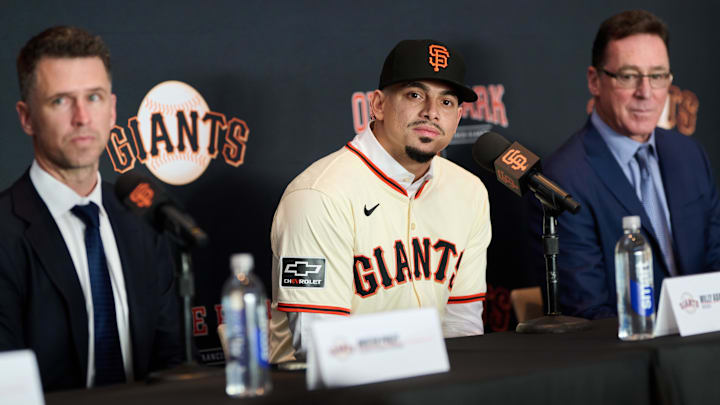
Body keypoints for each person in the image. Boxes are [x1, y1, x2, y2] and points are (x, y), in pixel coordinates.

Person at [269, 39, 491, 363]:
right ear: (378, 105)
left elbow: (463, 327)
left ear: (458, 116)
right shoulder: (317, 196)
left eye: (446, 101)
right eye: (415, 95)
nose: (431, 112)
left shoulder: (469, 191)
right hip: (318, 392)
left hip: (427, 383)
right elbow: (319, 344)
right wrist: (421, 353)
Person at [0, 26, 182, 391]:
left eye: (94, 98)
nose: (82, 117)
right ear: (26, 117)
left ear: (112, 110)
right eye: (60, 101)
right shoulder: (4, 233)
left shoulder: (143, 218)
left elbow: (171, 362)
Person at [528, 10, 720, 319]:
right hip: (629, 354)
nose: (646, 93)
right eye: (629, 76)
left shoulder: (690, 155)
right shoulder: (563, 180)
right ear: (595, 81)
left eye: (657, 76)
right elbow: (587, 311)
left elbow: (715, 263)